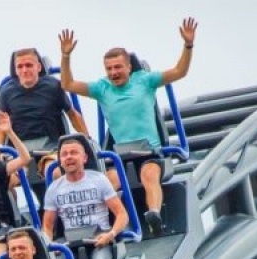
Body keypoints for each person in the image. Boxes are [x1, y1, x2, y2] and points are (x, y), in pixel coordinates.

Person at [58, 19, 199, 236]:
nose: (114, 72)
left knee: (148, 174)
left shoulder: (144, 80)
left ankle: (154, 215)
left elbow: (179, 71)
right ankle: (101, 227)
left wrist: (188, 45)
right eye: (109, 69)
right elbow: (68, 84)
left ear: (129, 67)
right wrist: (66, 57)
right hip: (120, 155)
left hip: (149, 151)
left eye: (118, 67)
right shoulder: (101, 88)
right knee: (108, 182)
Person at [0, 48, 88, 155]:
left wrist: (87, 140)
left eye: (29, 65)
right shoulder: (6, 91)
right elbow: (1, 125)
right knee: (12, 170)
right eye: (20, 67)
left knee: (53, 170)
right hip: (19, 148)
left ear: (39, 67)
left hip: (50, 146)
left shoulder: (53, 86)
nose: (24, 70)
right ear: (16, 70)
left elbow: (72, 114)